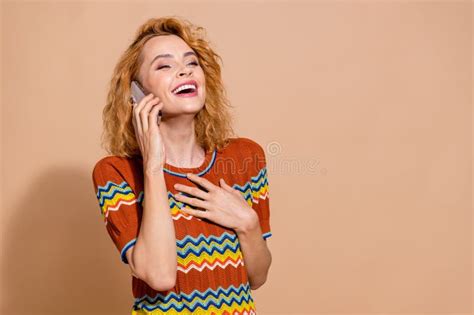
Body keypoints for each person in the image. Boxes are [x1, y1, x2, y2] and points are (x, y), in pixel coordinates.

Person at [92, 16, 273, 314]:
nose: (184, 71)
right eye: (164, 66)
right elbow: (160, 277)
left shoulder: (244, 158)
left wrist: (248, 222)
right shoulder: (115, 174)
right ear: (136, 93)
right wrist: (153, 166)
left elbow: (258, 276)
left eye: (191, 63)